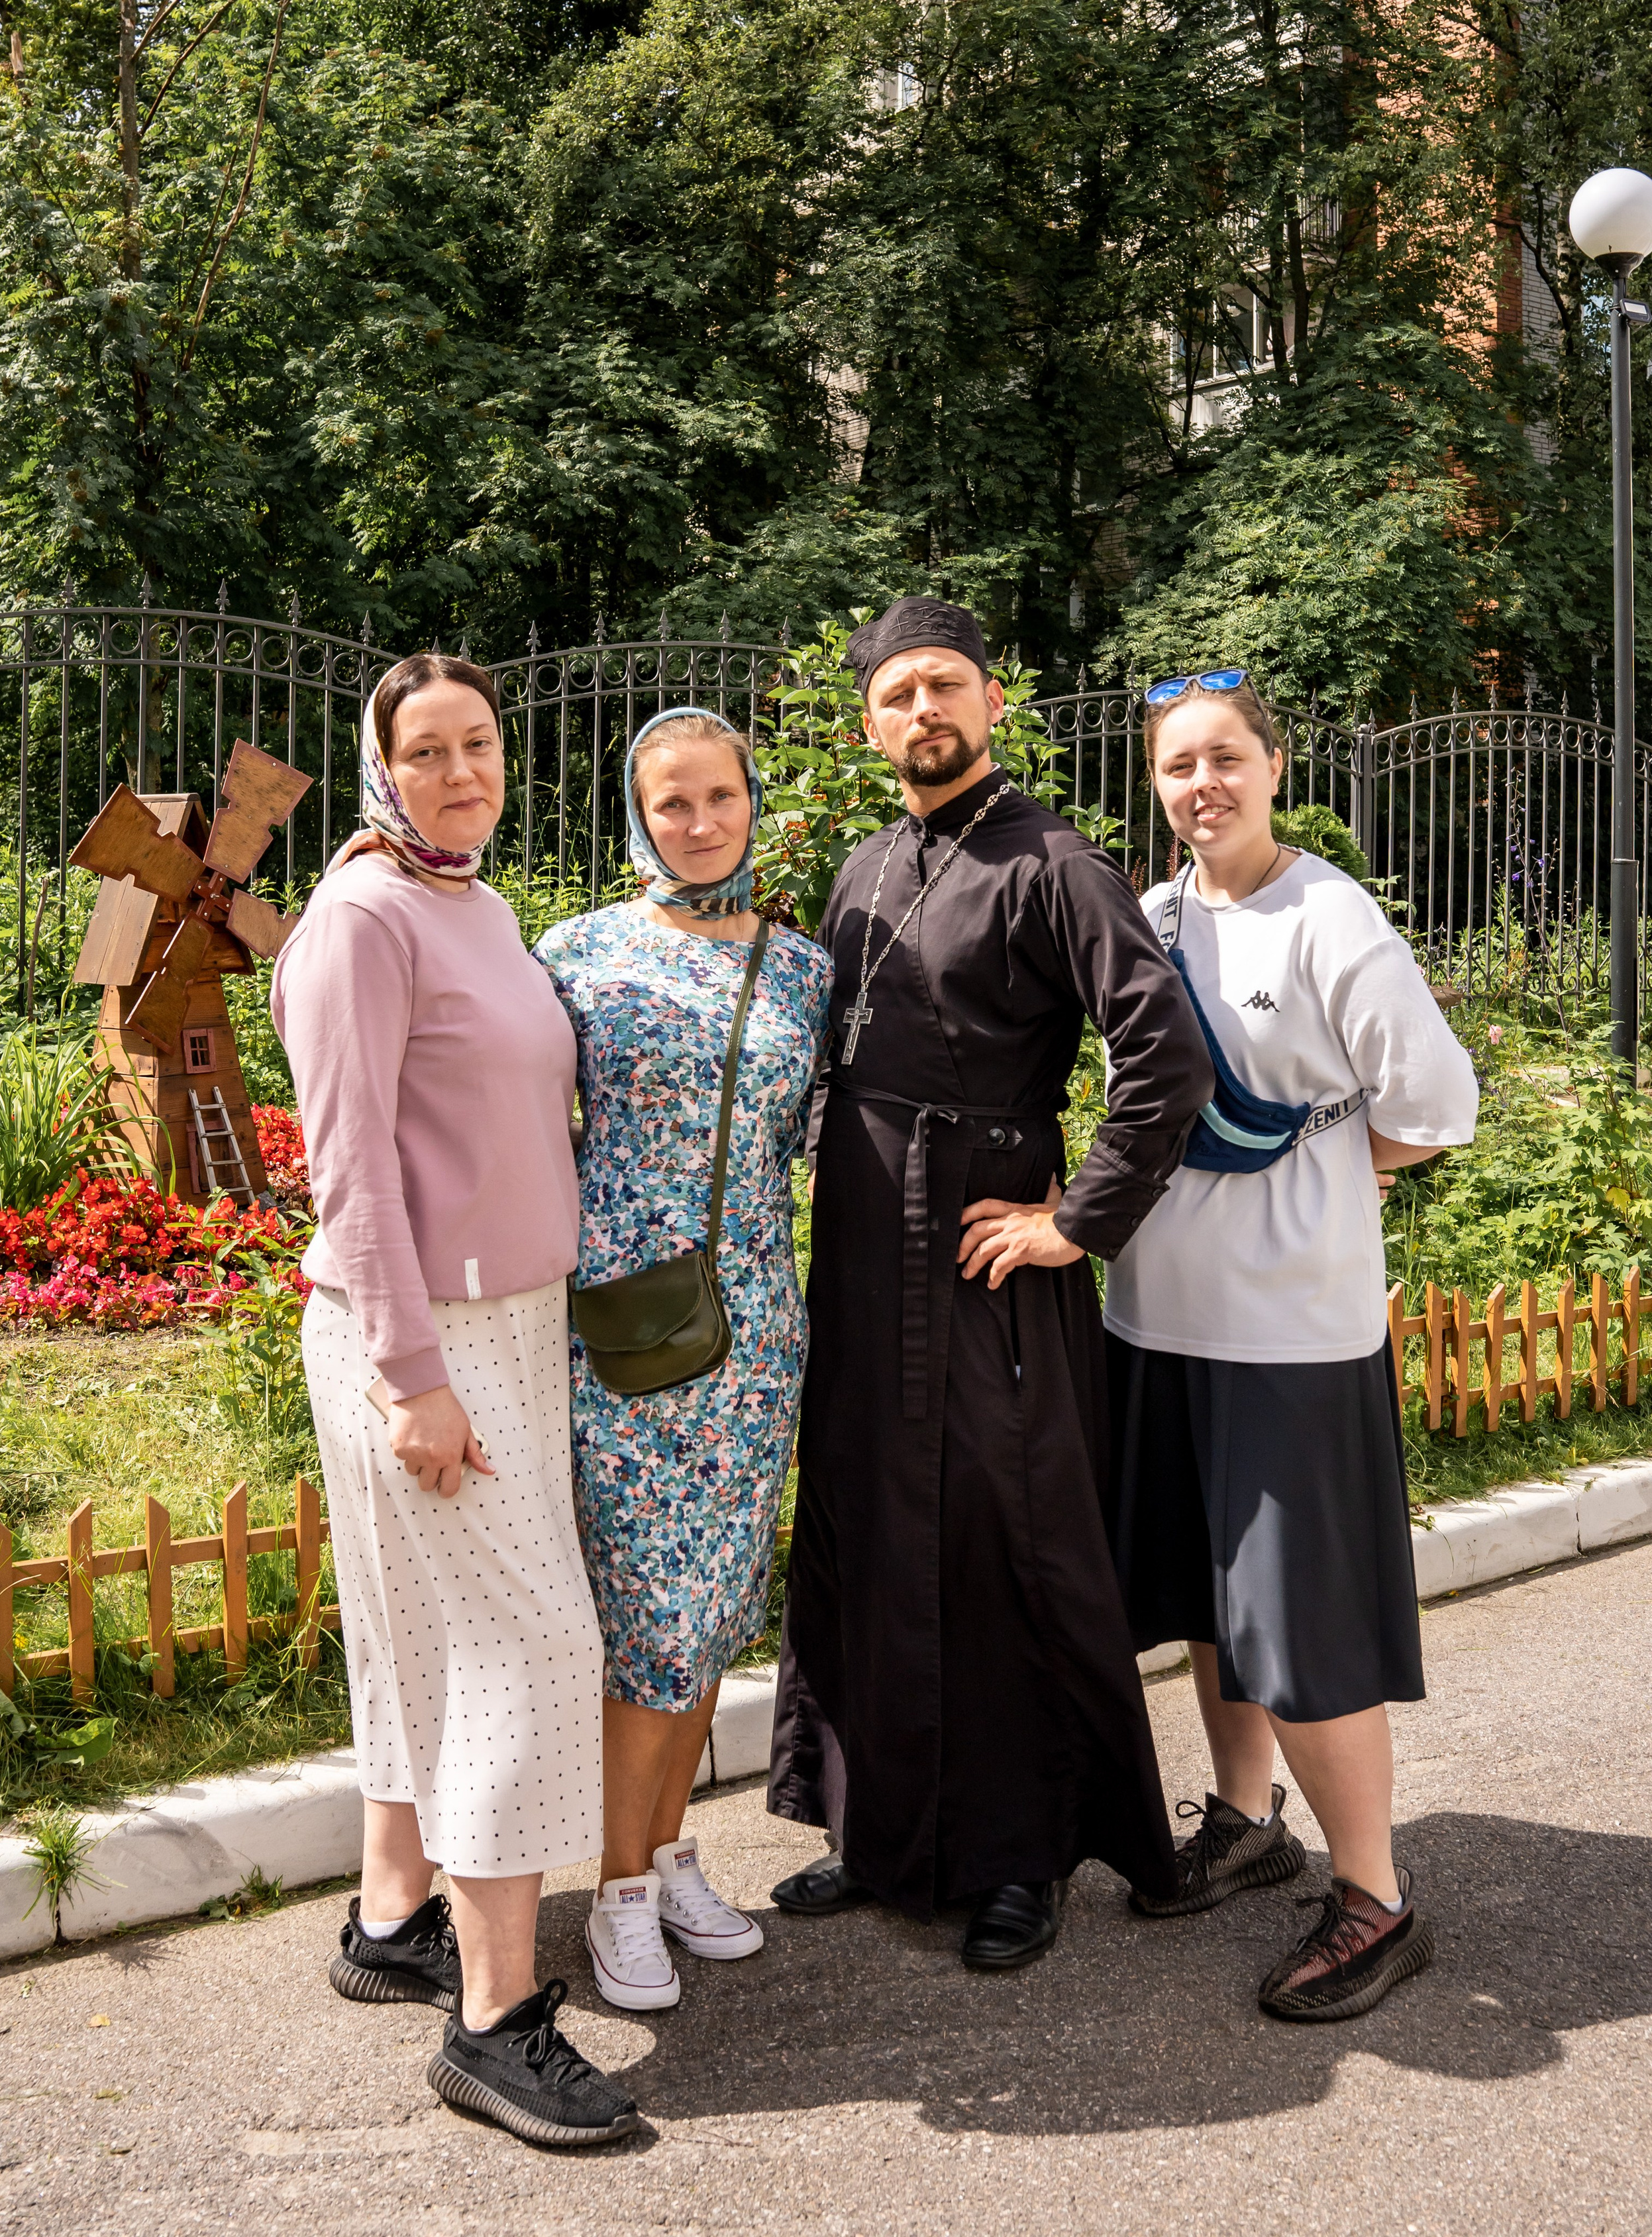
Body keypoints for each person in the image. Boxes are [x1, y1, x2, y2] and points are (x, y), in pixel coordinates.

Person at [767, 596, 1215, 1968]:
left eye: (944, 687)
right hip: (857, 1247)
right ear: (868, 723)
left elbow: (1166, 1060)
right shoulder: (860, 865)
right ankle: (880, 1833)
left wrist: (1074, 1219)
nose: (922, 712)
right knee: (867, 1522)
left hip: (979, 1257)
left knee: (996, 1541)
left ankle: (1021, 1858)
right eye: (898, 693)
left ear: (990, 704)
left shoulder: (1052, 863)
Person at [274, 651, 639, 2146]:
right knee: (535, 1644)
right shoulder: (360, 917)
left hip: (512, 1316)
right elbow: (346, 1164)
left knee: (425, 1633)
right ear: (379, 771)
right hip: (419, 1334)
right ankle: (491, 2024)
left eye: (476, 744)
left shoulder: (473, 902)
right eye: (422, 752)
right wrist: (412, 1377)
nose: (458, 772)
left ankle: (390, 1916)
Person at [1101, 668, 1478, 2020]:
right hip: (1156, 1316)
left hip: (1286, 1336)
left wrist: (1342, 1173)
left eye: (1222, 758)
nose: (1198, 783)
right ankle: (1247, 1819)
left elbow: (1437, 1101)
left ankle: (1374, 1900)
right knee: (1209, 1602)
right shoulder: (1149, 916)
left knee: (1297, 1623)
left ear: (1270, 766)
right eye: (1174, 766)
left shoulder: (1328, 920)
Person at [537, 707, 833, 2012]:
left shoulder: (805, 970)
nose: (698, 821)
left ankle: (662, 1857)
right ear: (634, 813)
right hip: (626, 1329)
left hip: (756, 1333)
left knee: (711, 1607)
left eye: (718, 796)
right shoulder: (576, 956)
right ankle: (612, 1892)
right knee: (646, 1620)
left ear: (751, 803)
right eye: (670, 802)